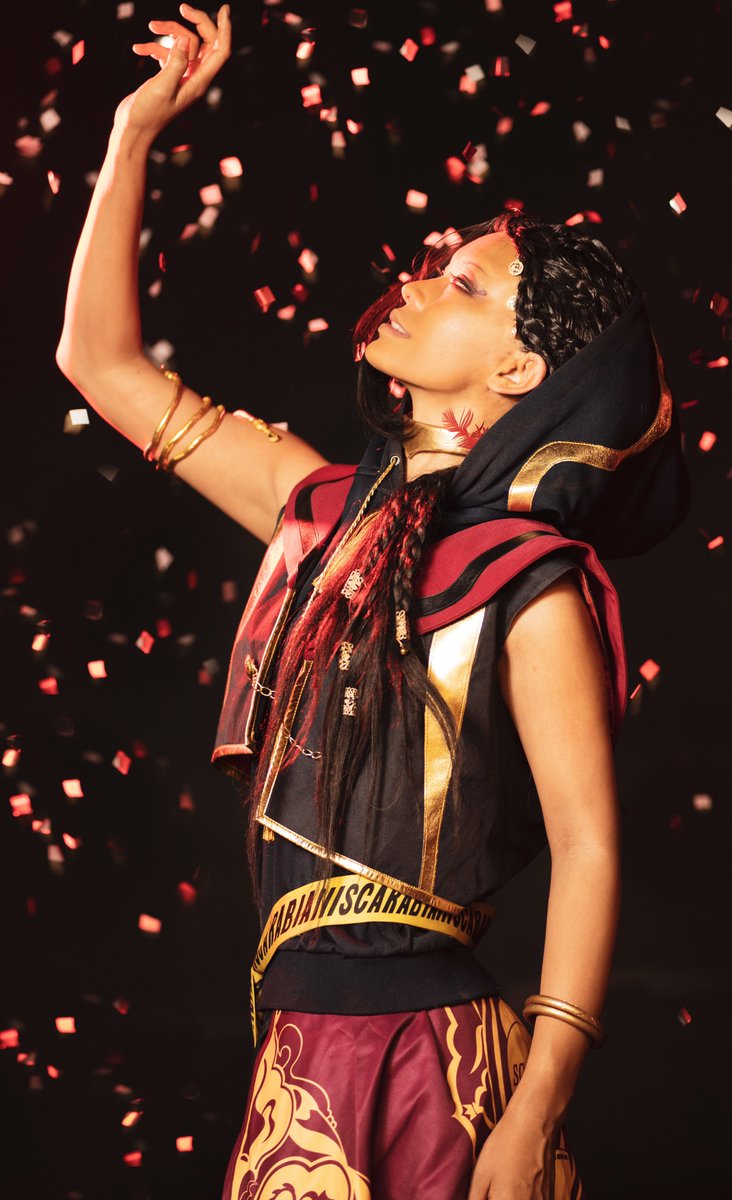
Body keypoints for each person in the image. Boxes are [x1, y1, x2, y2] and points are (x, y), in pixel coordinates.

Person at [55, 8, 691, 1200]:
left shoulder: (530, 583)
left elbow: (589, 846)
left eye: (462, 284)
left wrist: (537, 1106)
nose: (416, 282)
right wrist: (132, 134)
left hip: (438, 1066)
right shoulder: (317, 513)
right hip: (296, 1054)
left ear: (519, 371)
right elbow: (102, 366)